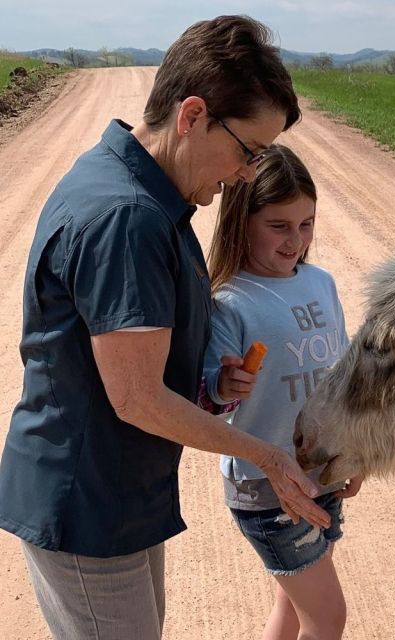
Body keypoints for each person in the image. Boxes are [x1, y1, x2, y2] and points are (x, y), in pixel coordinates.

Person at [0, 15, 330, 640]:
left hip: (114, 498)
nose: (243, 175)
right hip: (89, 507)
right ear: (193, 114)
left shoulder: (138, 190)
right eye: (247, 152)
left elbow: (141, 365)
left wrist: (210, 382)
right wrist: (264, 456)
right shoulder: (127, 217)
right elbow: (137, 397)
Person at [201, 143, 363, 640]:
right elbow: (210, 399)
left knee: (291, 607)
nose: (296, 239)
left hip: (322, 472)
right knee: (327, 617)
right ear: (241, 220)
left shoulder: (322, 283)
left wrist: (356, 454)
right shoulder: (230, 302)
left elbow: (344, 377)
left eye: (306, 223)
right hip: (267, 488)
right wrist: (225, 385)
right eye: (279, 225)